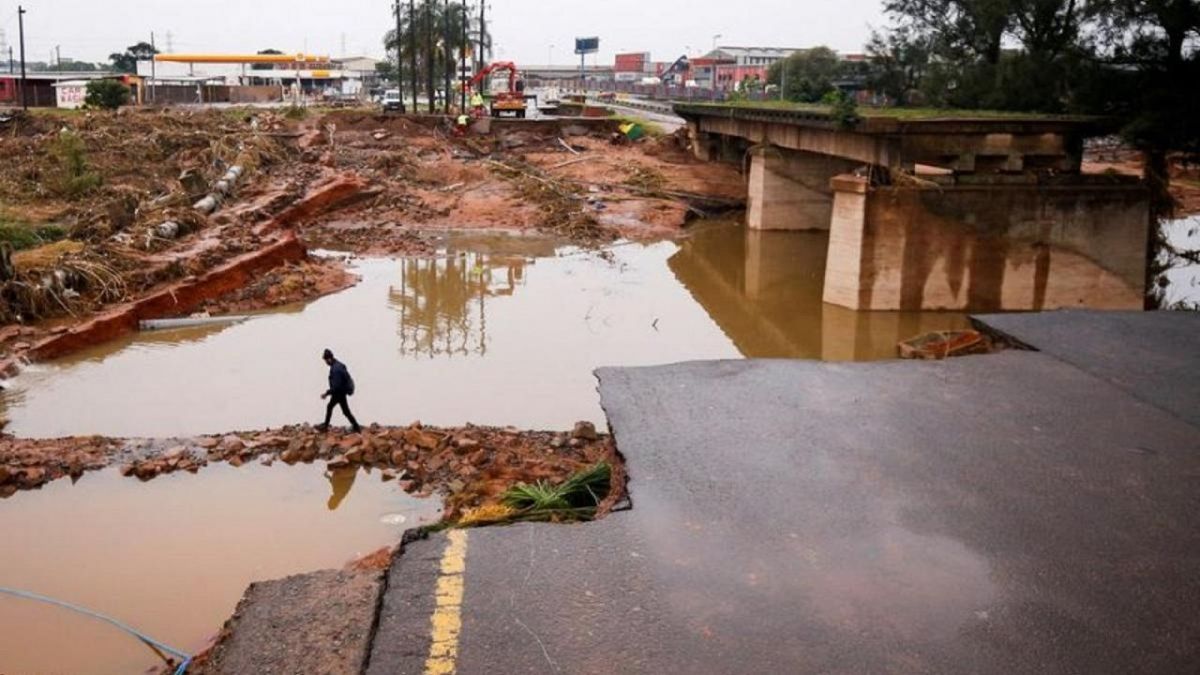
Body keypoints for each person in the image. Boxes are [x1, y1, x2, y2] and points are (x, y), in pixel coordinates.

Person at [318, 348, 361, 433]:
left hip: (339, 392)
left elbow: (336, 387)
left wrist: (326, 393)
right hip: (342, 391)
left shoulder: (335, 370)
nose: (325, 362)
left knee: (330, 407)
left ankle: (325, 427)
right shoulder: (339, 365)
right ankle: (356, 427)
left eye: (325, 360)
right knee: (345, 411)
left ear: (329, 359)